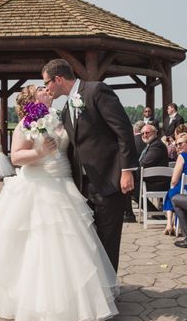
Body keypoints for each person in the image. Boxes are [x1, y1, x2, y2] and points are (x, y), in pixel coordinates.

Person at [0, 85, 118, 321]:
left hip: (65, 184)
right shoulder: (25, 124)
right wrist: (39, 151)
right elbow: (16, 157)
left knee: (70, 244)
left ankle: (73, 298)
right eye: (40, 88)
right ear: (32, 99)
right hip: (39, 185)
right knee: (38, 243)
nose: (47, 89)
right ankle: (36, 301)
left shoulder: (59, 117)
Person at [42, 59, 138, 272]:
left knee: (108, 239)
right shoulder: (66, 108)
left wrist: (126, 171)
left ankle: (110, 291)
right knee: (88, 240)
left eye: (47, 82)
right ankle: (97, 289)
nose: (46, 88)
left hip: (109, 180)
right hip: (82, 185)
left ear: (58, 79)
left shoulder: (96, 91)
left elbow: (123, 130)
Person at [162, 133, 187, 235]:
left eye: (180, 144)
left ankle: (170, 224)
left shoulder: (183, 156)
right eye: (176, 144)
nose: (178, 147)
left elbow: (174, 180)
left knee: (171, 193)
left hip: (184, 190)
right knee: (172, 192)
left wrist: (173, 185)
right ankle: (172, 224)